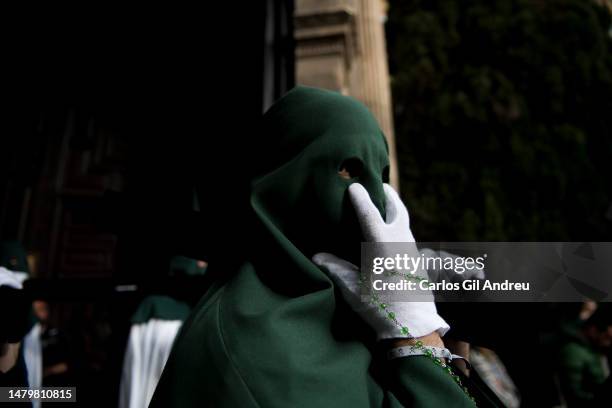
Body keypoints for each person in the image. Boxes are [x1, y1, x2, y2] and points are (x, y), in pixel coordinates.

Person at [151, 86, 501, 407]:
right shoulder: (247, 352)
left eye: (381, 176)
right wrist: (416, 336)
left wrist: (441, 345)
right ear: (283, 183)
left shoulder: (361, 306)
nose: (375, 199)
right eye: (348, 170)